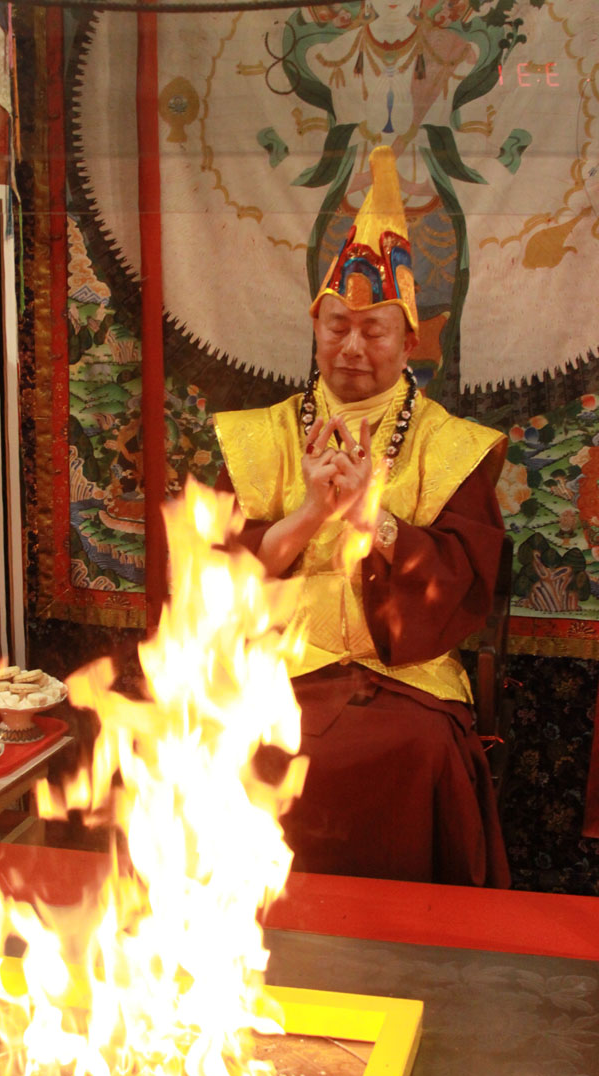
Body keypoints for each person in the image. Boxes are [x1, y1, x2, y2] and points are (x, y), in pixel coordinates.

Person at [213, 145, 510, 886]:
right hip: (280, 671)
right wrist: (311, 512)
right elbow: (212, 579)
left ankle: (413, 939)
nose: (351, 346)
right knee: (236, 745)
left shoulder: (452, 446)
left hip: (403, 676)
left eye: (373, 331)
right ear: (314, 327)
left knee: (422, 751)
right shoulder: (258, 438)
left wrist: (369, 520)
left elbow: (464, 582)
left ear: (409, 343)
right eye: (336, 325)